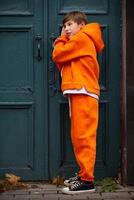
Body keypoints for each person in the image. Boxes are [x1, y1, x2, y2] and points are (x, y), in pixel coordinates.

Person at [52, 11, 104, 194]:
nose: (66, 29)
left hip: (84, 91)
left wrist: (60, 39)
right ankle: (83, 175)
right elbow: (63, 63)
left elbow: (58, 55)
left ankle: (87, 181)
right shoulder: (79, 41)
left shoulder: (82, 38)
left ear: (81, 25)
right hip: (78, 91)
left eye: (69, 25)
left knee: (83, 137)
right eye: (64, 26)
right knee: (78, 136)